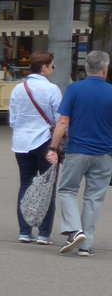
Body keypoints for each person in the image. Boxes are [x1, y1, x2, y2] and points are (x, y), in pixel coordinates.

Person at [46, 50, 112, 256]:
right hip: (104, 154)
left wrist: (53, 146)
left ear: (85, 68)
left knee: (67, 191)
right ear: (105, 69)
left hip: (77, 151)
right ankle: (85, 246)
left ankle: (75, 230)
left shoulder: (74, 89)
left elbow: (63, 122)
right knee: (94, 198)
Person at [8, 52, 62, 244]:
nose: (53, 69)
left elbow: (13, 120)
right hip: (45, 142)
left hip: (21, 143)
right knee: (47, 187)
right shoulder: (52, 89)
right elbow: (59, 120)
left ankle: (24, 231)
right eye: (52, 66)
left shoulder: (18, 88)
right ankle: (44, 234)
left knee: (25, 184)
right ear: (45, 68)